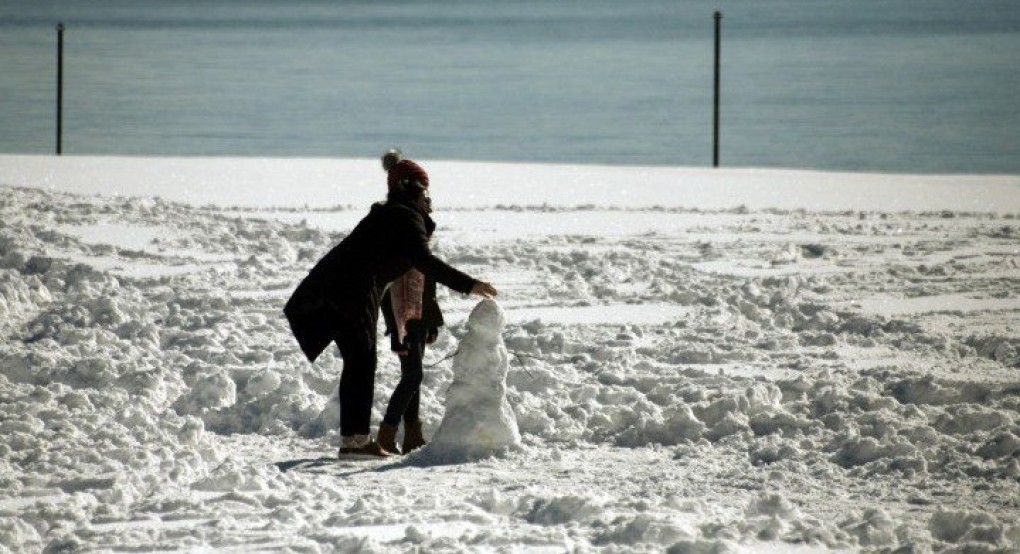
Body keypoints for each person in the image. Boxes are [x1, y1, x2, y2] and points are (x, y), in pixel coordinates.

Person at [284, 176, 497, 458]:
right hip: (351, 291)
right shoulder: (406, 217)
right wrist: (470, 284)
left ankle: (354, 440)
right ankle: (355, 442)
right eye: (427, 198)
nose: (431, 205)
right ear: (415, 197)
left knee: (359, 361)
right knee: (361, 360)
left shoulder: (392, 214)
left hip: (341, 289)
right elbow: (424, 261)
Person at [377, 149, 442, 454]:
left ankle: (412, 435)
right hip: (400, 311)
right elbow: (390, 280)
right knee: (413, 374)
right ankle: (387, 434)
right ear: (408, 189)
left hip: (415, 311)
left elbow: (424, 279)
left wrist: (431, 318)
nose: (428, 198)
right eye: (423, 192)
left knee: (412, 375)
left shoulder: (417, 223)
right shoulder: (396, 223)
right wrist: (395, 326)